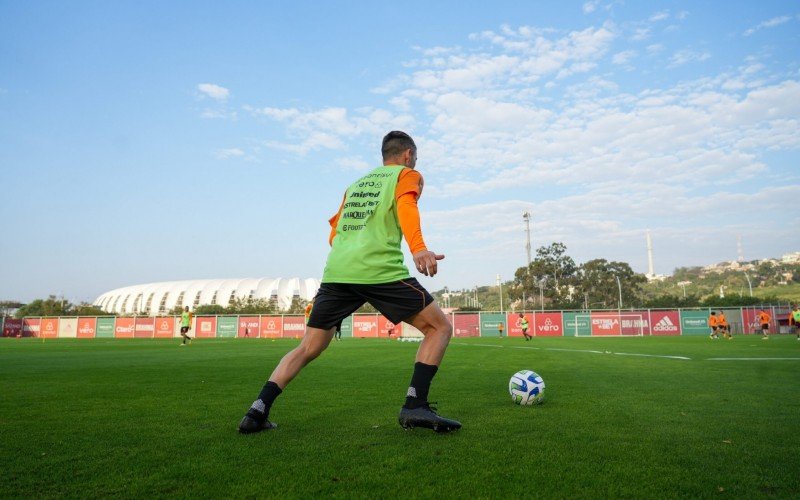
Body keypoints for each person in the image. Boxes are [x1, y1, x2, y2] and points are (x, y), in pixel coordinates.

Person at [238, 131, 460, 434]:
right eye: (415, 157)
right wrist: (418, 248)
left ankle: (256, 411)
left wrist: (350, 256)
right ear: (408, 155)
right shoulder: (408, 175)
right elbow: (408, 207)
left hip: (338, 272)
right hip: (379, 271)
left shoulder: (355, 186)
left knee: (308, 348)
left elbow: (334, 233)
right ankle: (414, 406)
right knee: (440, 328)